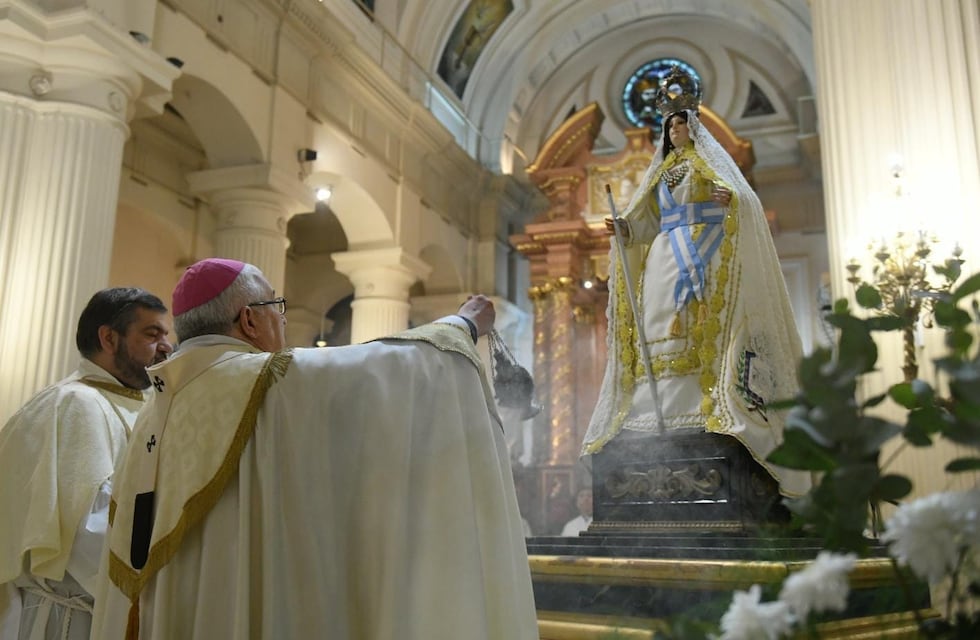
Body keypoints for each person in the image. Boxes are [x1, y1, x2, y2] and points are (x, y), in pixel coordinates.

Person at [92, 258, 538, 640]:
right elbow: (398, 369)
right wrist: (462, 325)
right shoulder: (270, 382)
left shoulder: (154, 408)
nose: (282, 319)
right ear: (249, 319)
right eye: (275, 306)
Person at [582, 67, 811, 498]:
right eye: (669, 125)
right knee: (657, 322)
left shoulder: (709, 164)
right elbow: (647, 221)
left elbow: (744, 201)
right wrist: (626, 229)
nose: (675, 129)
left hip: (701, 251)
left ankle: (698, 404)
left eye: (681, 122)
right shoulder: (660, 172)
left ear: (694, 126)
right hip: (666, 255)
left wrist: (732, 201)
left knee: (695, 324)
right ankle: (654, 408)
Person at [0, 288, 172, 640]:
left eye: (166, 335)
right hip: (72, 618)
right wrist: (163, 589)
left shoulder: (140, 404)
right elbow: (86, 533)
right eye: (152, 334)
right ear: (109, 338)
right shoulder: (75, 404)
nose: (167, 346)